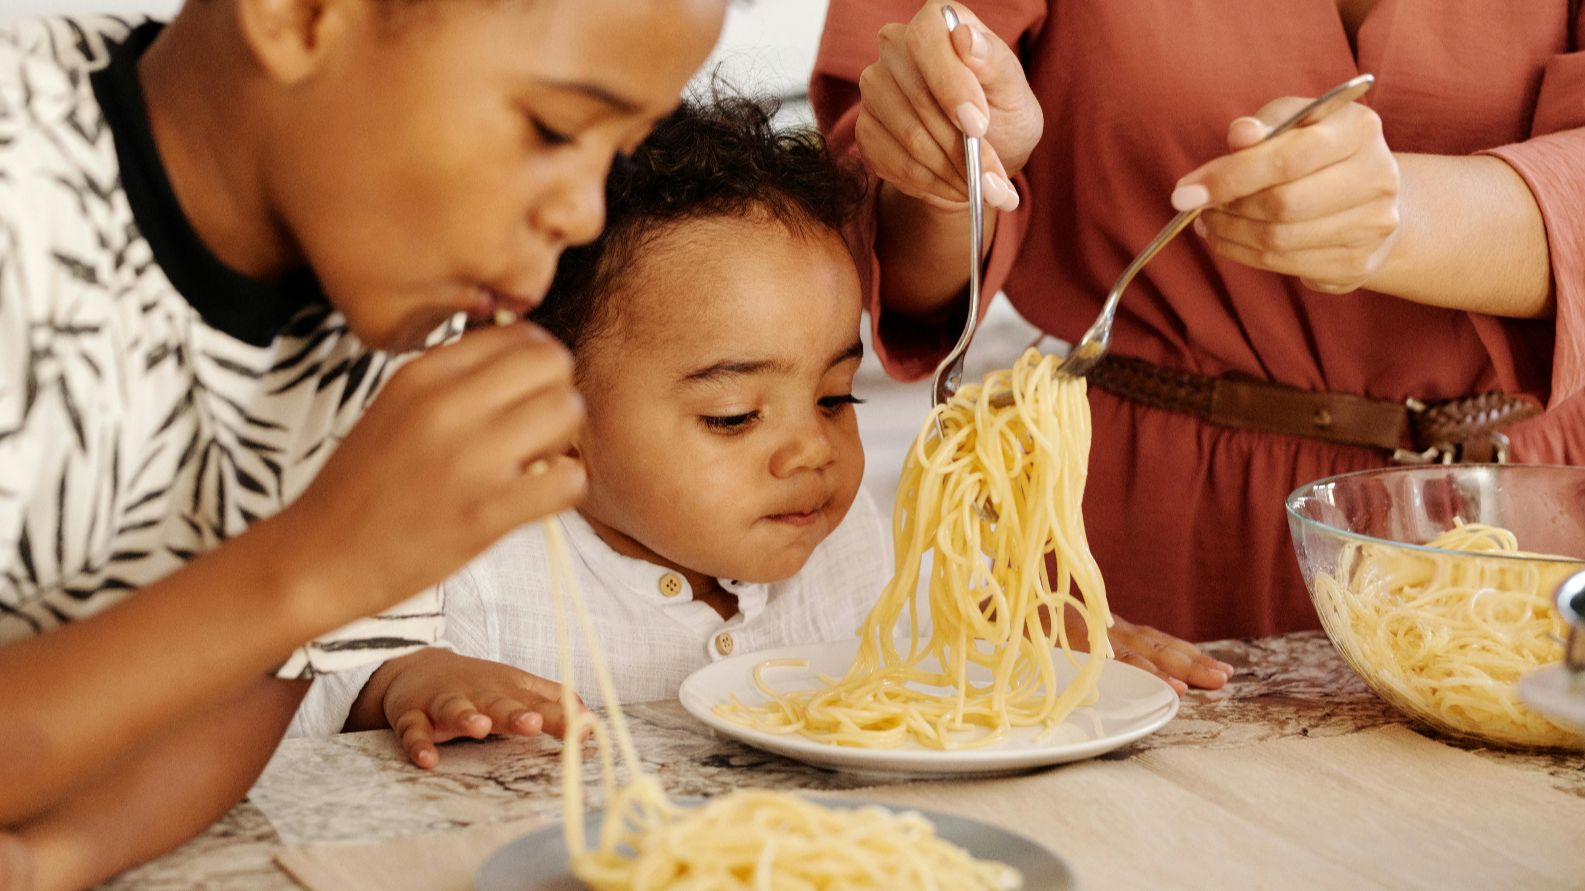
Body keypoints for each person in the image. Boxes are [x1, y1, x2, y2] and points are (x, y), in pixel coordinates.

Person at [0, 0, 724, 885]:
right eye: (551, 127)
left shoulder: (392, 274)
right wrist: (320, 562)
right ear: (300, 16)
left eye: (613, 154)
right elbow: (300, 597)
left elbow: (261, 690)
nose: (583, 214)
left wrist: (53, 858)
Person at [810, 1, 1585, 647]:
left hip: (1538, 522)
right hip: (1135, 552)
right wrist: (943, 160)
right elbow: (893, 256)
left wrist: (1412, 219)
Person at [288, 95, 894, 767]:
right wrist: (409, 681)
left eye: (836, 398)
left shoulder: (843, 539)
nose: (812, 449)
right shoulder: (467, 546)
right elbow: (323, 684)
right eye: (734, 415)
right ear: (553, 406)